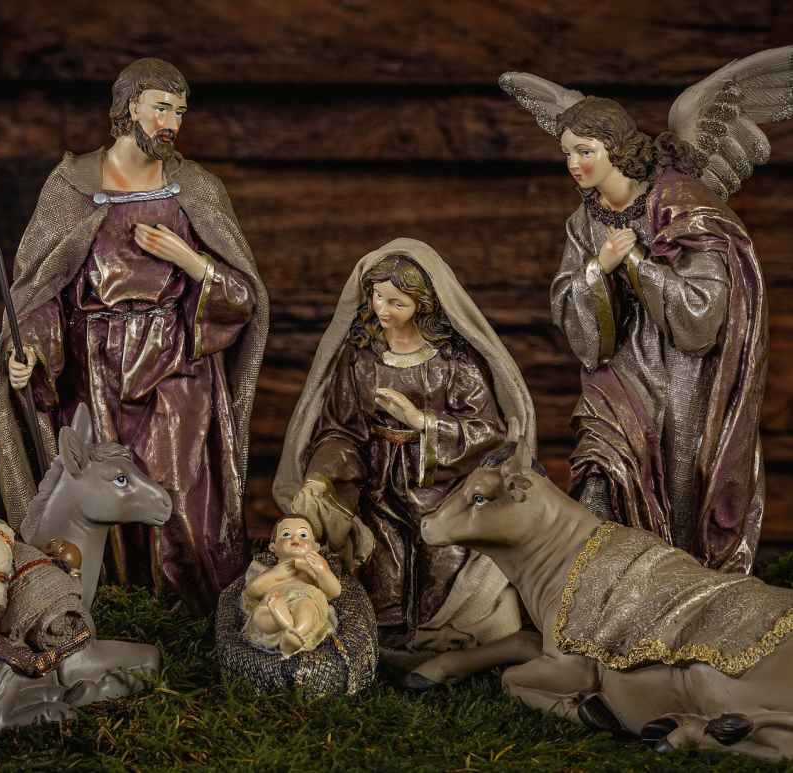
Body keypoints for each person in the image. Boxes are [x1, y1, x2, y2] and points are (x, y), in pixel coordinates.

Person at [0, 58, 268, 614]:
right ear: (128, 108)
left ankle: (186, 612)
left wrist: (191, 261)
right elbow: (43, 292)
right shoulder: (72, 187)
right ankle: (114, 603)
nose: (172, 123)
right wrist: (32, 353)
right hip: (94, 367)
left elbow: (244, 298)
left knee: (177, 483)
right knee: (100, 480)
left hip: (174, 363)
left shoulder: (195, 189)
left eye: (180, 112)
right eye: (161, 108)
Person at [274, 238, 535, 656]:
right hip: (380, 489)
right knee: (383, 580)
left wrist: (421, 422)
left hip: (444, 492)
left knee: (442, 574)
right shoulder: (361, 359)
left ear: (423, 304)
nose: (383, 308)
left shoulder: (454, 362)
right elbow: (342, 430)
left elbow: (488, 431)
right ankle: (388, 650)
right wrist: (322, 476)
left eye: (397, 302)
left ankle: (446, 642)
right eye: (378, 297)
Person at [548, 96, 767, 573]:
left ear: (616, 149)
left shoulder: (681, 206)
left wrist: (636, 263)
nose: (573, 164)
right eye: (567, 153)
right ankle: (594, 594)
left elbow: (704, 311)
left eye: (584, 151)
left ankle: (668, 589)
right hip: (616, 374)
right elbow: (566, 300)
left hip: (680, 377)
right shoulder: (585, 220)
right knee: (600, 471)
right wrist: (598, 268)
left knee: (675, 494)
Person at [242, 517, 341, 658]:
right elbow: (252, 591)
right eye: (286, 534)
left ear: (315, 547)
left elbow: (334, 591)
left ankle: (295, 631)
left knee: (306, 608)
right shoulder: (272, 571)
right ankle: (288, 628)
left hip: (305, 599)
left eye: (303, 535)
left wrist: (323, 570)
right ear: (273, 547)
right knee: (259, 616)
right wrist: (274, 575)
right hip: (274, 603)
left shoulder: (313, 572)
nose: (295, 539)